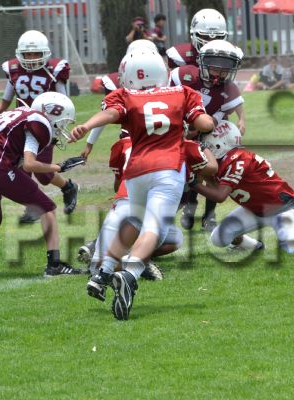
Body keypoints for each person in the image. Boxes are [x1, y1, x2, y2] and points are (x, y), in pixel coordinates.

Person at [70, 48, 215, 321]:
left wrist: (86, 126)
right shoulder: (182, 92)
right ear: (161, 72)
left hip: (135, 171)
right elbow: (203, 123)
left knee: (134, 222)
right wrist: (210, 120)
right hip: (167, 168)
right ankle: (130, 275)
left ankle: (103, 273)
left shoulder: (126, 95)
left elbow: (110, 115)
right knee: (153, 229)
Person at [85, 131, 218, 302]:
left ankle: (123, 260)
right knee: (161, 235)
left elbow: (118, 184)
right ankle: (133, 262)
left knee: (99, 266)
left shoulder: (125, 144)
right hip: (147, 206)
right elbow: (212, 168)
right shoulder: (183, 146)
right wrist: (202, 147)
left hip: (126, 203)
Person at [0, 92, 85, 276]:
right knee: (46, 207)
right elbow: (29, 164)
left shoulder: (17, 113)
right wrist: (59, 167)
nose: (62, 127)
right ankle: (54, 266)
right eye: (63, 121)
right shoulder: (39, 121)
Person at [0, 30, 79, 224]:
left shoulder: (53, 70)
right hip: (19, 127)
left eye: (35, 53)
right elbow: (6, 100)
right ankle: (34, 207)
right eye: (27, 54)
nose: (31, 58)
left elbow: (64, 101)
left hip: (44, 126)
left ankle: (68, 187)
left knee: (42, 173)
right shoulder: (14, 70)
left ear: (45, 53)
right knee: (20, 169)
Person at [195, 121, 294, 253]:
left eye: (207, 146)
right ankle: (253, 246)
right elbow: (216, 187)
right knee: (218, 238)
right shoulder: (224, 161)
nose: (204, 150)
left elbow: (220, 195)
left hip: (281, 209)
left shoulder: (238, 158)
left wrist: (193, 183)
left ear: (219, 144)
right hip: (254, 209)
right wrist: (200, 173)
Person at [169, 39, 245, 232]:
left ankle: (209, 215)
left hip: (207, 131)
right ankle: (188, 206)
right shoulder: (183, 75)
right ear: (202, 63)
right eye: (215, 68)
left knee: (213, 172)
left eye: (224, 69)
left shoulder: (229, 89)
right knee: (185, 172)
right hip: (179, 130)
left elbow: (216, 118)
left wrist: (241, 120)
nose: (219, 73)